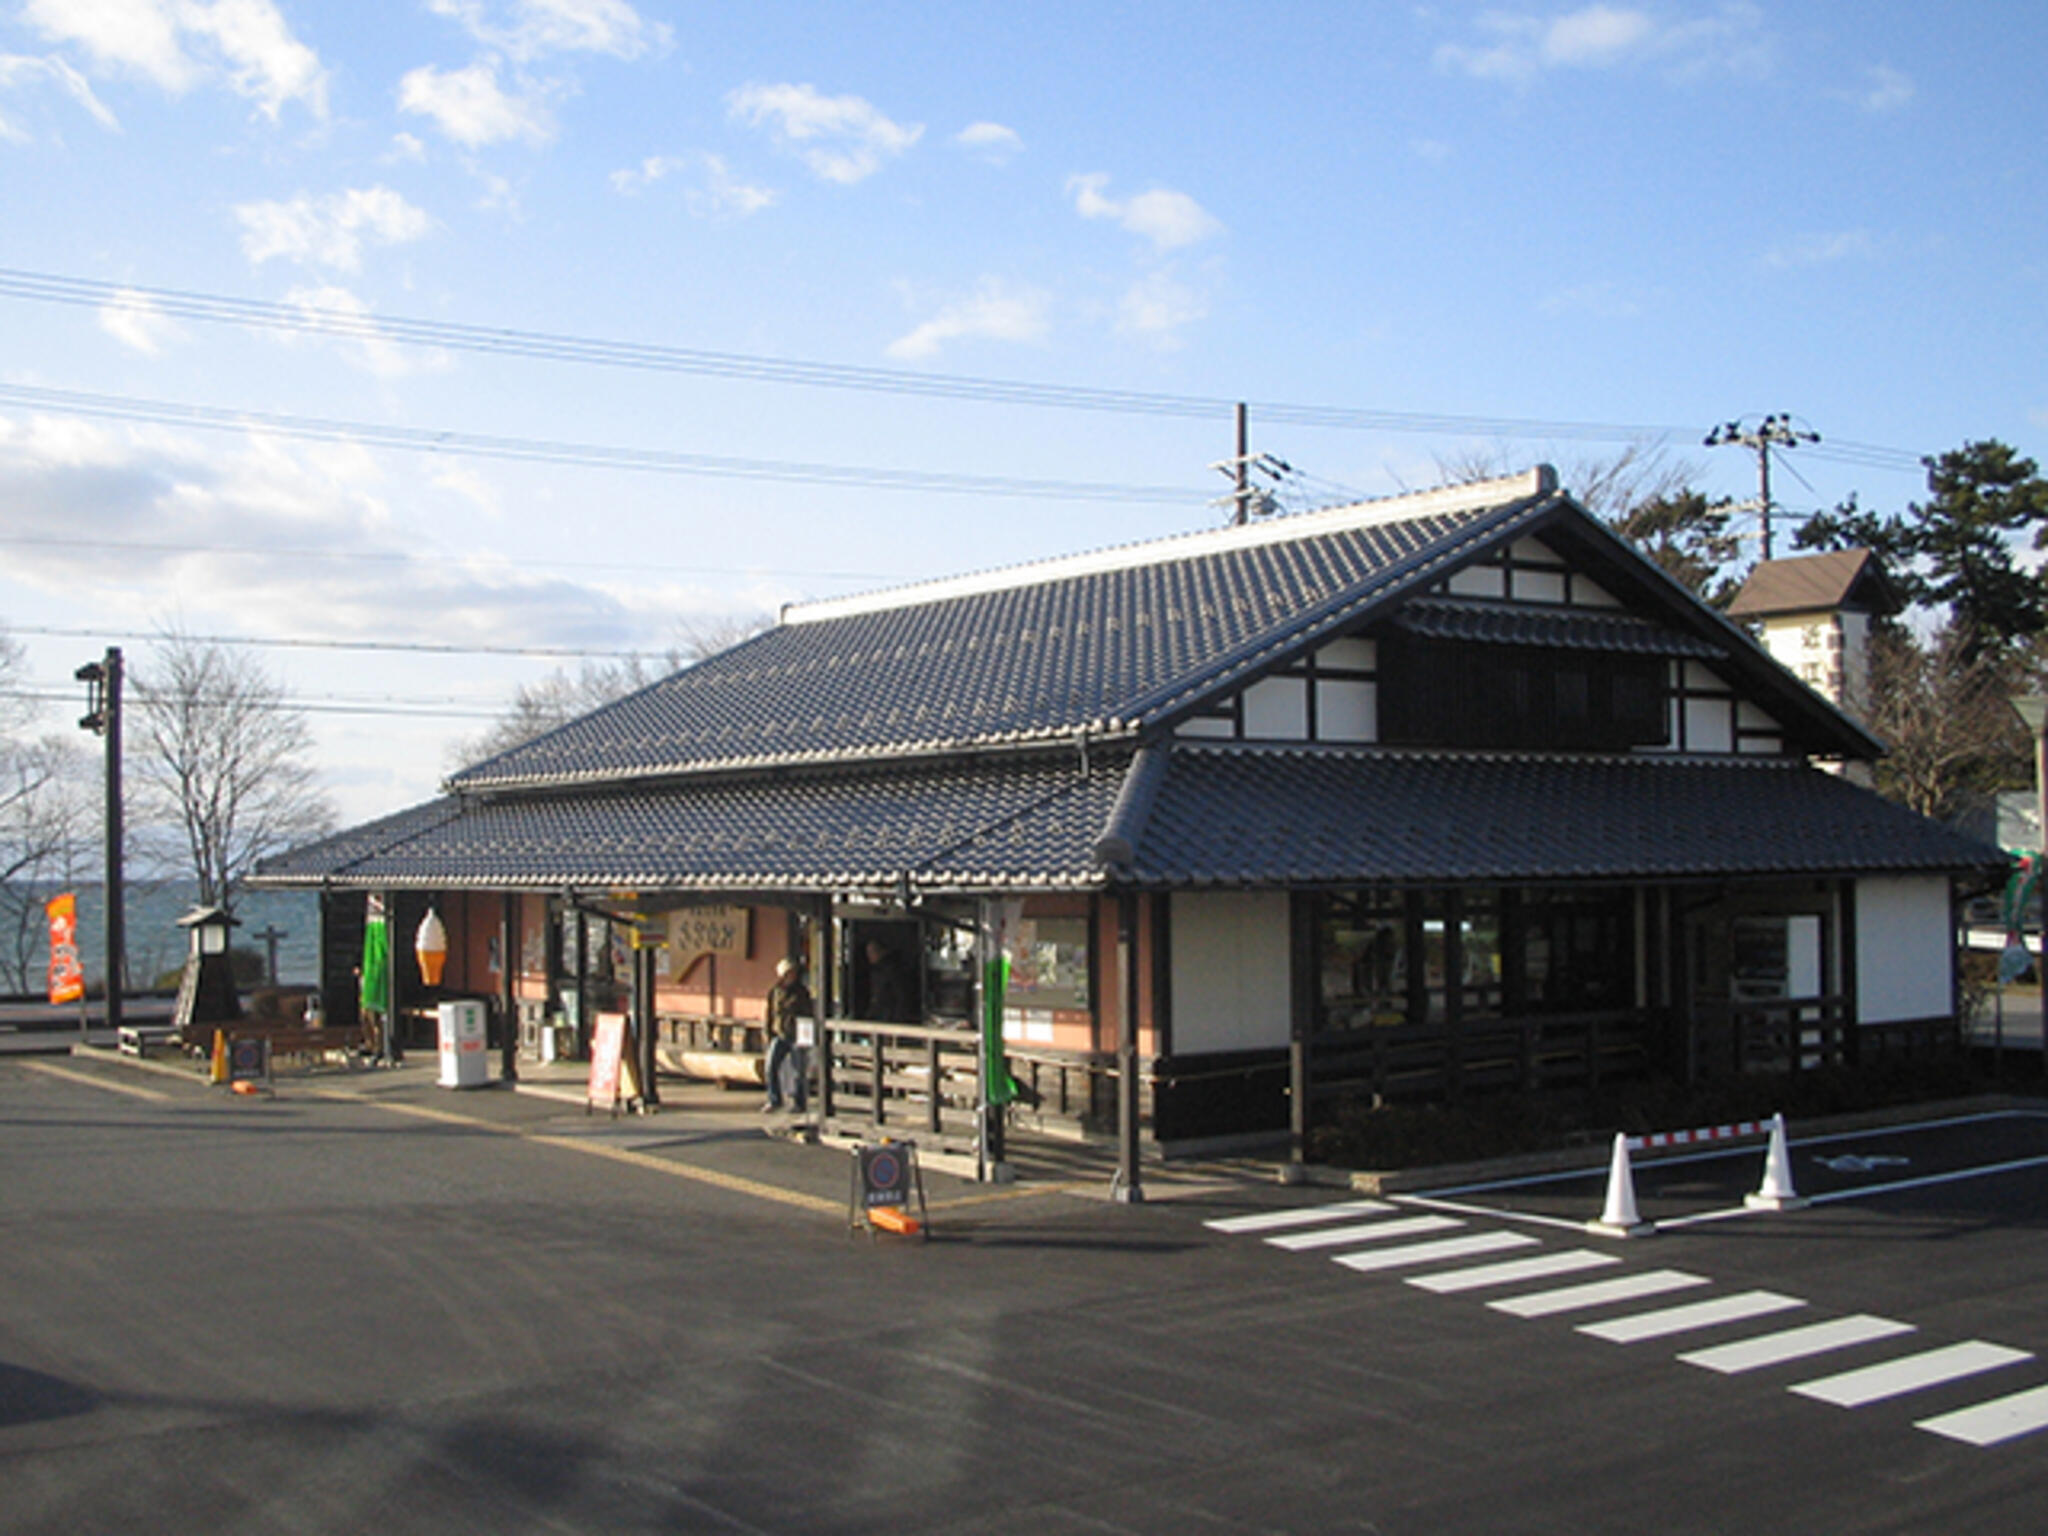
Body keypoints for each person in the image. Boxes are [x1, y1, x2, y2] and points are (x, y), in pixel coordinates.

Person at [761, 957, 813, 1113]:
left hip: (797, 1034)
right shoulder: (775, 991)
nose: (792, 975)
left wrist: (807, 1036)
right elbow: (769, 1013)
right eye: (789, 973)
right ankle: (774, 1099)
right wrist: (768, 1032)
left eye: (793, 972)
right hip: (780, 1033)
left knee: (799, 1070)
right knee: (770, 1067)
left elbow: (807, 1014)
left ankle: (799, 1102)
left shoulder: (801, 992)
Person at [863, 938, 915, 1024]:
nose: (869, 956)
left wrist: (897, 1018)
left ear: (881, 952)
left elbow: (900, 995)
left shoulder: (891, 970)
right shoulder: (879, 970)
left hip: (888, 1016)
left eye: (872, 952)